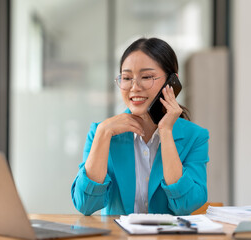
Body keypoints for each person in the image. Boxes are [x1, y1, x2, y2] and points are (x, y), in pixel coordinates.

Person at [71, 37, 209, 216]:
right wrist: (103, 133)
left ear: (172, 82)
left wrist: (166, 132)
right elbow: (86, 205)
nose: (134, 87)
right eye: (127, 78)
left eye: (146, 77)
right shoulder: (102, 132)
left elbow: (185, 205)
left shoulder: (195, 137)